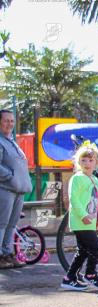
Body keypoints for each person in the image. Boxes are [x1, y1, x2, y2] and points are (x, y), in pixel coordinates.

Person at [61, 141, 98, 290]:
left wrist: (95, 218)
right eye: (83, 160)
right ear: (78, 162)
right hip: (80, 221)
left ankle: (69, 278)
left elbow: (94, 200)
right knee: (96, 247)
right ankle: (90, 274)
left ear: (96, 162)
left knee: (83, 251)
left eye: (91, 160)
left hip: (89, 221)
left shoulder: (95, 179)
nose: (87, 163)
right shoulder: (77, 178)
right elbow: (74, 199)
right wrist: (84, 216)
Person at [0, 109, 32, 270]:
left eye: (12, 121)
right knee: (2, 224)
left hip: (18, 190)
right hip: (5, 189)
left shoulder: (10, 141)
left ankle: (7, 254)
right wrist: (10, 176)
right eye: (6, 120)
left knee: (11, 224)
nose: (9, 124)